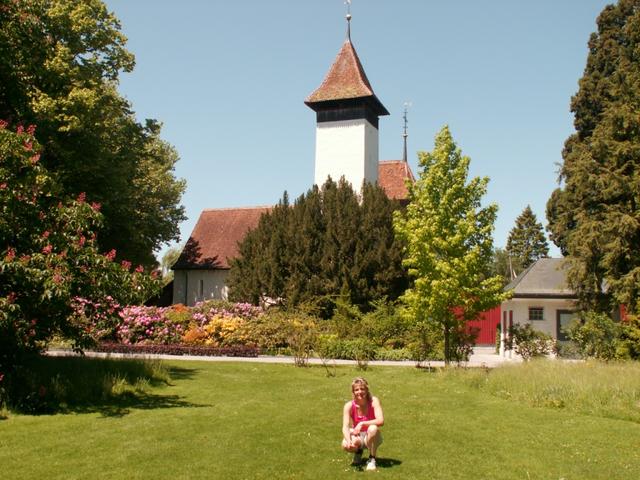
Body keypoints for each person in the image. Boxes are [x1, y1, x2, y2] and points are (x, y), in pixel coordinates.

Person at [341, 377, 384, 471]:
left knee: (373, 428)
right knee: (344, 444)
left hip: (372, 436)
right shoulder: (349, 405)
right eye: (356, 390)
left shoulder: (374, 401)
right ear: (353, 392)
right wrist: (349, 442)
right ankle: (358, 452)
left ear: (367, 390)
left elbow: (381, 421)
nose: (359, 392)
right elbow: (345, 427)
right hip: (359, 436)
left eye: (362, 389)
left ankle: (372, 458)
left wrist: (362, 423)